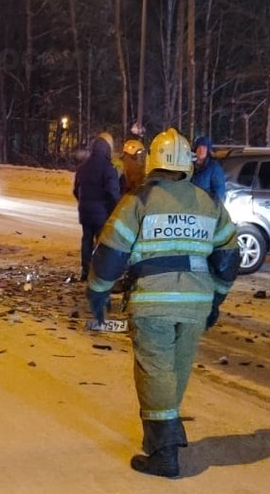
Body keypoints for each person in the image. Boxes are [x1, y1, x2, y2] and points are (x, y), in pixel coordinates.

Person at [85, 128, 240, 478]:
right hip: (196, 304)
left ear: (153, 160)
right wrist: (216, 299)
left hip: (153, 303)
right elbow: (230, 257)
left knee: (155, 373)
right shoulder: (209, 203)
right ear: (187, 163)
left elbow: (110, 254)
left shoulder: (138, 201)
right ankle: (163, 436)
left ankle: (165, 453)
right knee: (174, 374)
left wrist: (98, 293)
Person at [73, 132, 121, 280]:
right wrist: (114, 208)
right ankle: (99, 273)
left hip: (85, 212)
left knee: (86, 240)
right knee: (102, 243)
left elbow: (76, 190)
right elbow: (112, 192)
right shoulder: (108, 168)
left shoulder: (82, 167)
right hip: (102, 213)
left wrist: (84, 202)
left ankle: (86, 270)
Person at [190, 135, 226, 202]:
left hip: (206, 208)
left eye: (204, 147)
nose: (201, 150)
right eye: (199, 147)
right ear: (195, 149)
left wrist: (214, 208)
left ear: (208, 150)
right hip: (191, 207)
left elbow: (219, 192)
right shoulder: (190, 166)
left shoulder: (214, 167)